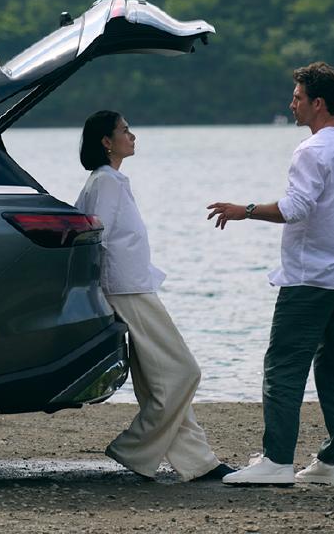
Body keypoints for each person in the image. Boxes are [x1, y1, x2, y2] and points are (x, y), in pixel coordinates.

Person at [207, 61, 334, 487]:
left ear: (318, 103)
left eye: (299, 98)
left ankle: (278, 460)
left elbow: (295, 208)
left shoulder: (312, 150)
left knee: (283, 367)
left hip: (309, 279)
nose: (292, 104)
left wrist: (243, 210)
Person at [75, 110, 233, 482]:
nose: (133, 136)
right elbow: (95, 236)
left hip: (132, 285)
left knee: (158, 382)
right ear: (106, 141)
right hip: (126, 289)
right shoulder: (106, 182)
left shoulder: (109, 180)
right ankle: (133, 447)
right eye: (125, 130)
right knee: (183, 372)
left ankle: (199, 463)